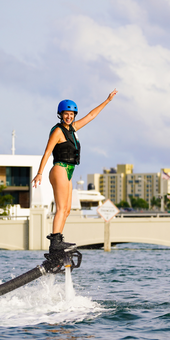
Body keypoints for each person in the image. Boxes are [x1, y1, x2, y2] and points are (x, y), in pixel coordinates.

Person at [32, 89, 118, 254]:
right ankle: (55, 243)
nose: (69, 117)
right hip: (60, 168)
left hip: (68, 171)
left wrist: (107, 101)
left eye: (71, 114)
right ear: (60, 114)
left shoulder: (73, 129)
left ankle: (58, 242)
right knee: (61, 207)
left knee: (67, 210)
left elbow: (91, 116)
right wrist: (40, 172)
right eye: (66, 114)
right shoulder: (58, 131)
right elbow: (47, 152)